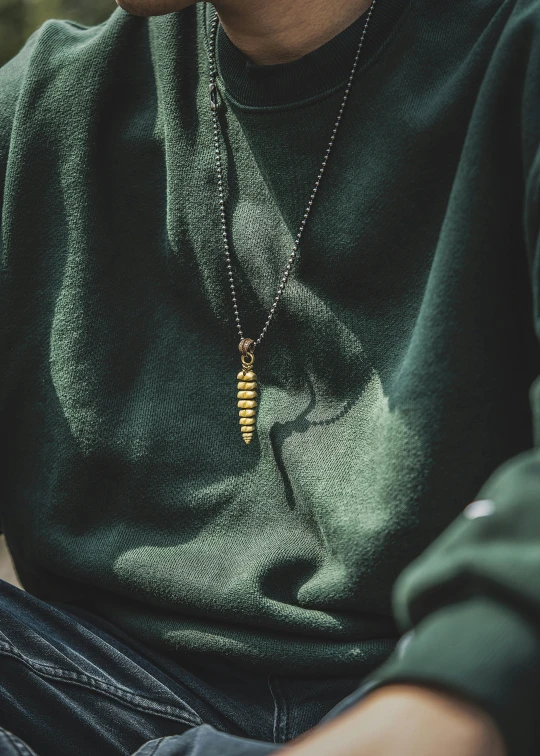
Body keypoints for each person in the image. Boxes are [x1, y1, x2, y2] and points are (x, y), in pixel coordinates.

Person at [0, 0, 539, 752]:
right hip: (99, 693)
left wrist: (462, 684)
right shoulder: (45, 107)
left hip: (433, 690)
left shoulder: (517, 57)